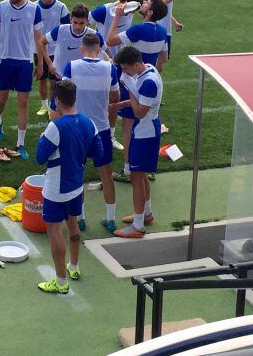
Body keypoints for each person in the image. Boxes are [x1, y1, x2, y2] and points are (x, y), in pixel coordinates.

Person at [36, 80, 103, 293]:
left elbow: (40, 157)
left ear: (57, 100)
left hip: (56, 188)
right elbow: (98, 153)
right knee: (73, 223)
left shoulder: (55, 126)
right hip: (77, 185)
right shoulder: (88, 122)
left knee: (54, 231)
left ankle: (61, 281)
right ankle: (73, 266)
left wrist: (42, 139)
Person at [61, 34, 120, 234]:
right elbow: (115, 98)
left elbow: (62, 96)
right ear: (99, 49)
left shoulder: (71, 67)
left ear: (81, 48)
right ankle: (111, 219)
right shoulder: (110, 68)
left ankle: (80, 218)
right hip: (101, 128)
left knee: (78, 173)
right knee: (106, 174)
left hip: (78, 128)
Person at [106, 0, 168, 182]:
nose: (144, 2)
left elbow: (109, 41)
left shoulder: (138, 29)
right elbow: (163, 59)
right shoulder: (163, 31)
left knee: (128, 125)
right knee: (148, 123)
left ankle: (128, 169)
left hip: (132, 79)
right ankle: (147, 167)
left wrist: (117, 16)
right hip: (149, 77)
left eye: (148, 3)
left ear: (150, 12)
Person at [0, 0, 43, 159]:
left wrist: (40, 63)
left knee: (23, 103)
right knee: (1, 101)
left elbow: (39, 39)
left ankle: (20, 143)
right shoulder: (1, 6)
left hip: (24, 62)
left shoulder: (34, 9)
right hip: (3, 61)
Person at [112, 46, 163, 239]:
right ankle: (146, 213)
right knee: (140, 176)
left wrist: (129, 89)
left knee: (136, 177)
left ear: (135, 64)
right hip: (145, 129)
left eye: (126, 69)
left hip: (145, 131)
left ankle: (138, 226)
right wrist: (124, 103)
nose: (125, 73)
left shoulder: (147, 82)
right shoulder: (149, 69)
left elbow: (140, 112)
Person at [90, 0, 143, 150]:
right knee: (97, 101)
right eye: (133, 9)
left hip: (121, 64)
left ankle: (110, 136)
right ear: (125, 2)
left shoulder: (129, 11)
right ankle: (93, 135)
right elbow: (84, 25)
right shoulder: (103, 11)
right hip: (102, 64)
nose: (133, 13)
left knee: (114, 101)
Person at [38, 3, 107, 81]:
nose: (78, 27)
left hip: (82, 79)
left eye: (81, 23)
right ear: (70, 19)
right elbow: (42, 42)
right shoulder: (60, 30)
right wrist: (49, 63)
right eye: (75, 22)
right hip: (60, 77)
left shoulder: (94, 35)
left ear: (87, 21)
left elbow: (106, 51)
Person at [35, 0, 70, 116]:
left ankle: (52, 106)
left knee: (54, 81)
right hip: (38, 49)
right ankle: (44, 106)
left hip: (56, 50)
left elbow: (67, 28)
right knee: (42, 78)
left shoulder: (61, 7)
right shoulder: (34, 7)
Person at [149, 0, 190, 74]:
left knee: (162, 60)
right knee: (156, 60)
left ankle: (153, 80)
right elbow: (164, 0)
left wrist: (174, 22)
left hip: (165, 30)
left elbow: (164, 9)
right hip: (156, 28)